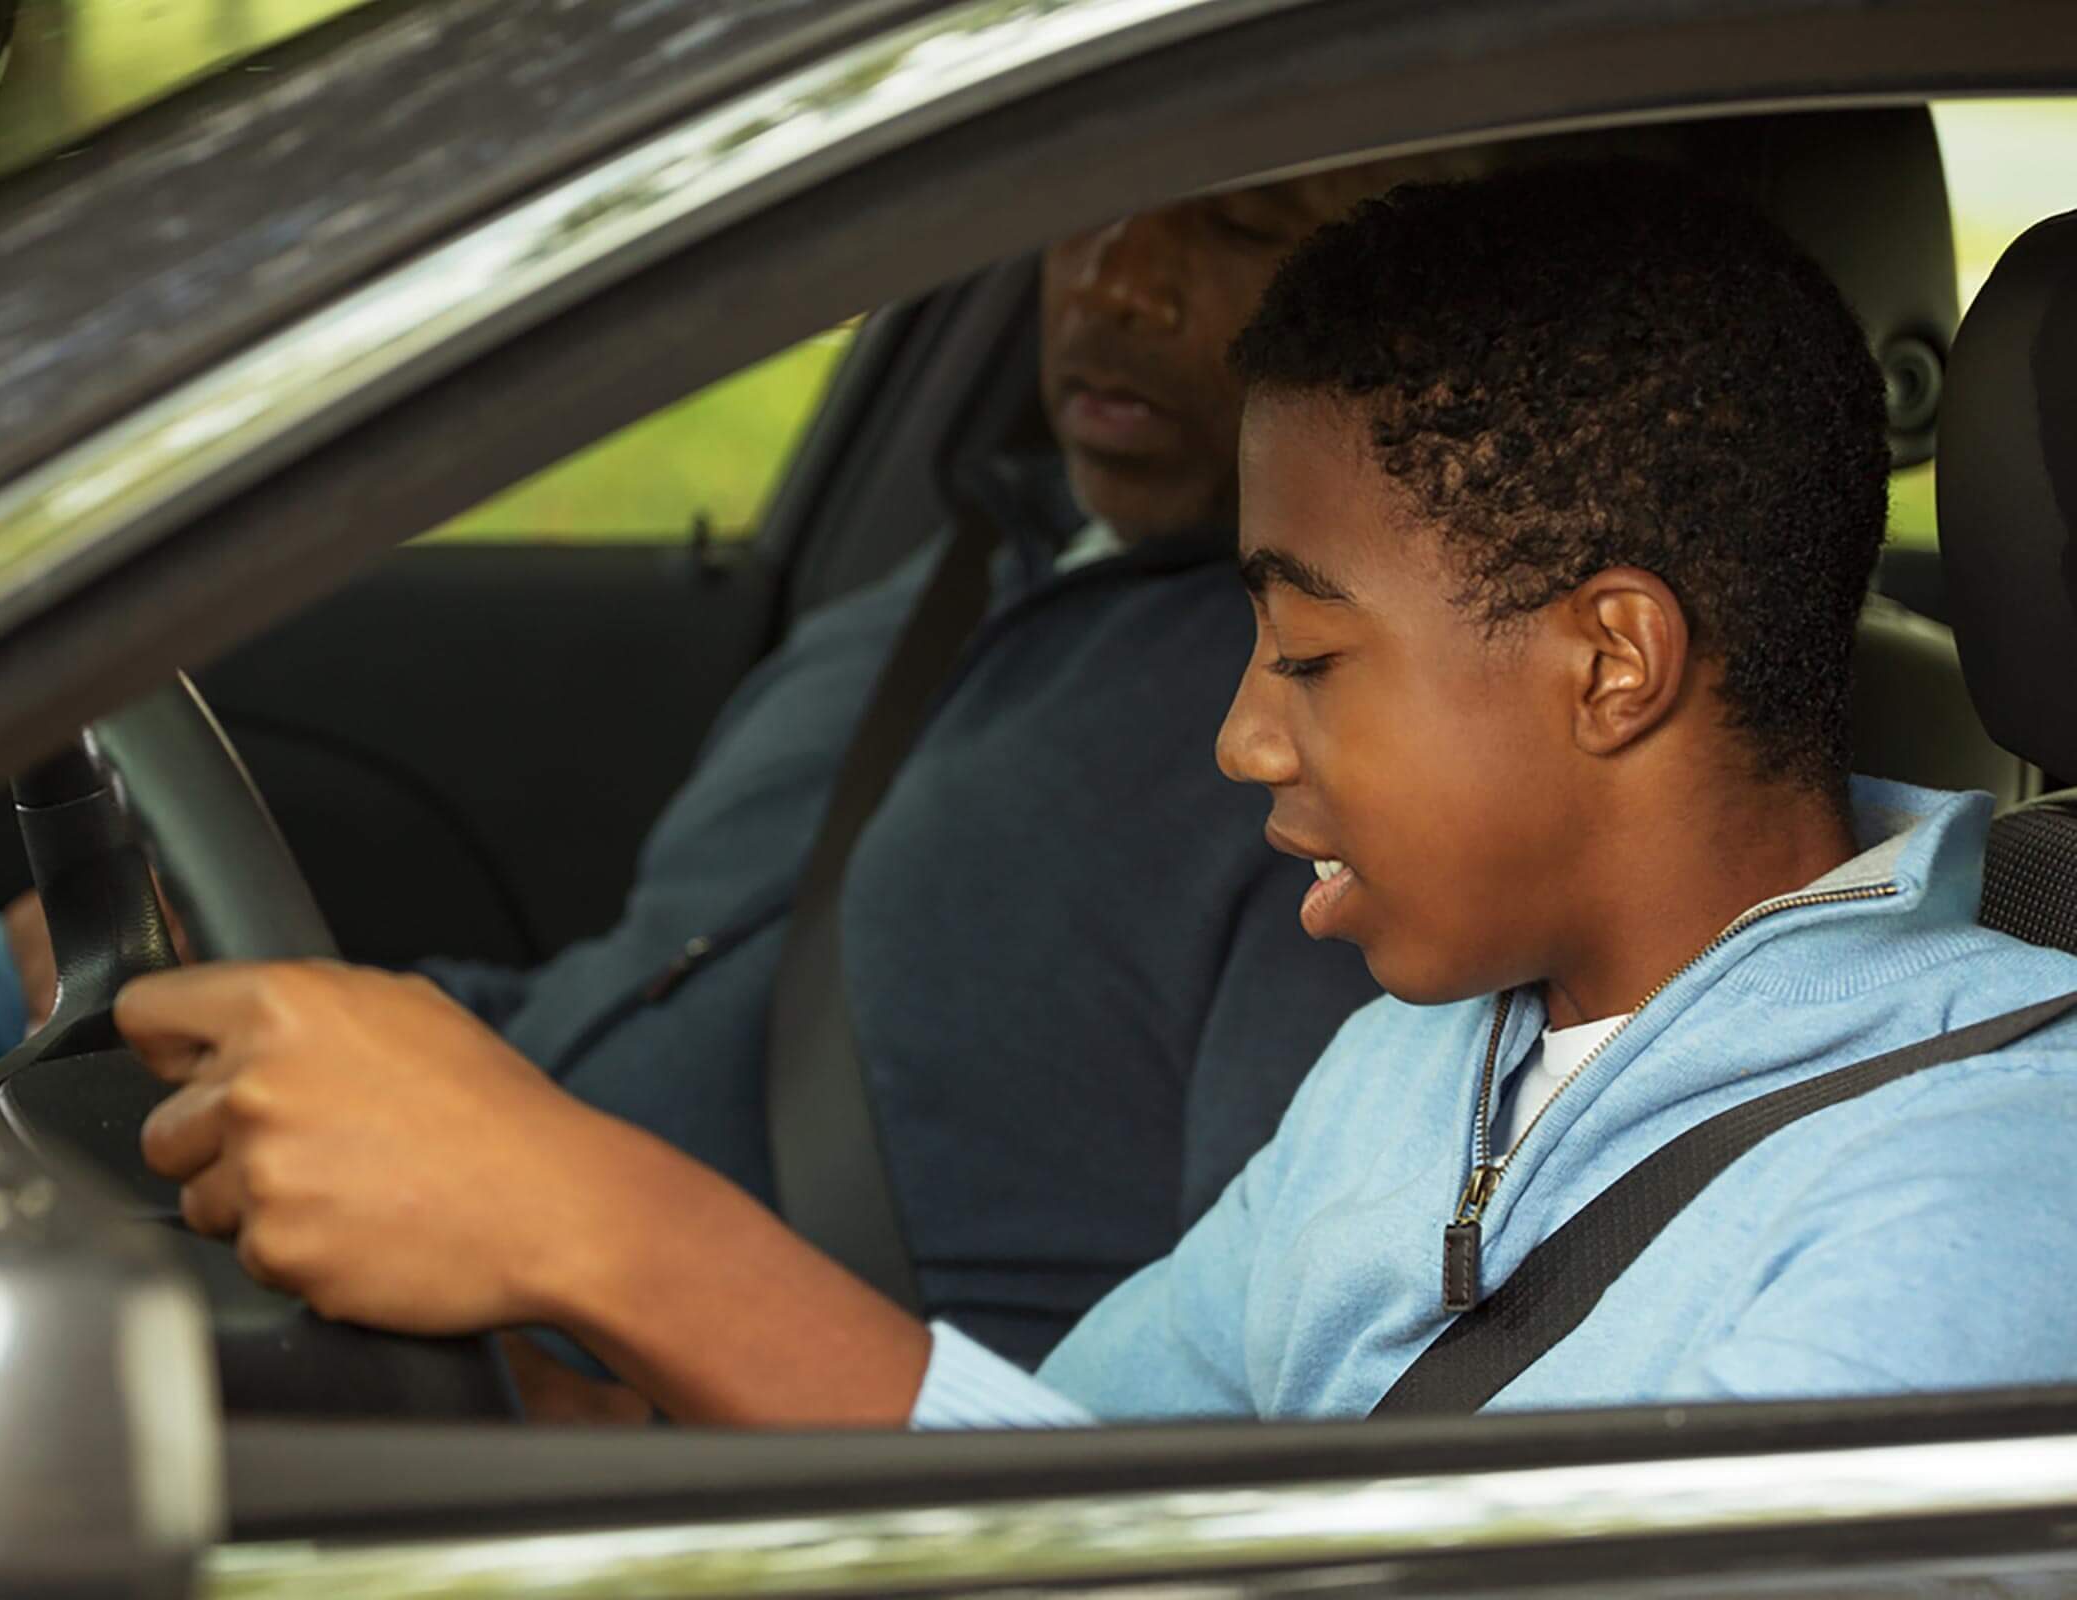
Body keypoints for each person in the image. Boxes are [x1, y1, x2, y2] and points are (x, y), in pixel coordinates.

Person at [113, 161, 2077, 1426]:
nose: (1240, 736)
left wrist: (615, 1226)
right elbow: (1088, 1470)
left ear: (1613, 661)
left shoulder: (1979, 1198)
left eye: (1308, 658)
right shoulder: (1429, 1065)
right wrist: (567, 1362)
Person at [0, 160, 1499, 1364]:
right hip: (426, 1180)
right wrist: (292, 1002)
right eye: (1085, 203)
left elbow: (1239, 1385)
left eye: (1239, 222)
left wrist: (641, 1335)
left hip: (577, 1373)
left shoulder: (1347, 766)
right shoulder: (948, 577)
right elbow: (640, 1000)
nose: (1117, 274)